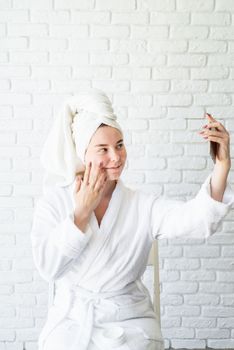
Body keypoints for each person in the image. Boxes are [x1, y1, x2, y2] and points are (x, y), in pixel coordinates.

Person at [31, 88, 234, 350]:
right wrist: (80, 214)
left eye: (119, 145)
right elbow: (47, 268)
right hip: (73, 318)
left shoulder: (142, 205)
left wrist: (222, 166)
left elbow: (197, 220)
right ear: (83, 153)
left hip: (129, 318)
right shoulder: (55, 201)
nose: (116, 157)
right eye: (103, 149)